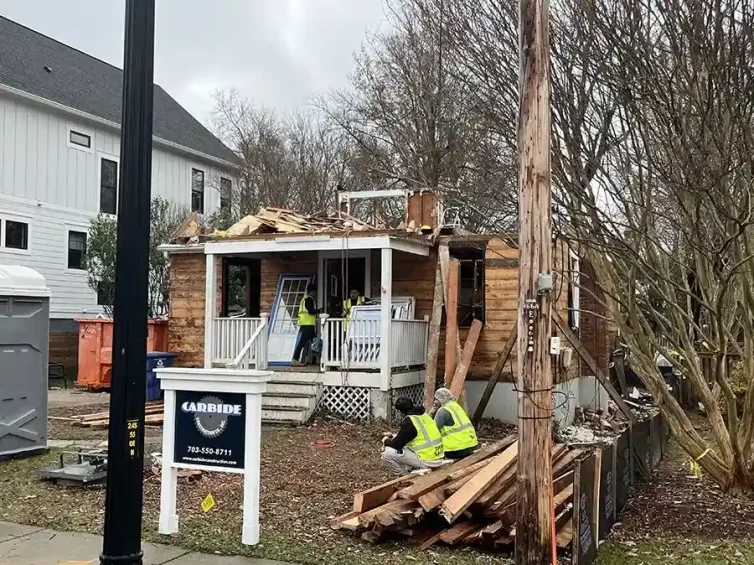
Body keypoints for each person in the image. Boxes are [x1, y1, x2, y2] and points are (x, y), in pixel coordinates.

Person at [381, 397, 445, 476]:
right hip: (439, 456)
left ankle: (405, 477)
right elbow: (416, 435)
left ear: (401, 411)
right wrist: (394, 436)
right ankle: (414, 469)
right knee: (406, 447)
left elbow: (396, 445)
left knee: (388, 453)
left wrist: (386, 441)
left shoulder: (409, 421)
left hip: (427, 461)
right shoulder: (425, 416)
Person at [432, 388, 478, 459]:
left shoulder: (443, 411)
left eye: (436, 399)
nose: (434, 402)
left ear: (440, 400)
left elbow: (432, 430)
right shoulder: (456, 406)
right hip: (472, 445)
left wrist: (431, 412)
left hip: (455, 450)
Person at [292, 283, 318, 366]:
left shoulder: (304, 299)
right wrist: (318, 311)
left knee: (314, 341)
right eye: (314, 292)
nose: (315, 294)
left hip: (306, 323)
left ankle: (314, 359)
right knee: (303, 342)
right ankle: (295, 359)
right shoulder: (309, 299)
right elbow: (310, 311)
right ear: (311, 292)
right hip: (307, 324)